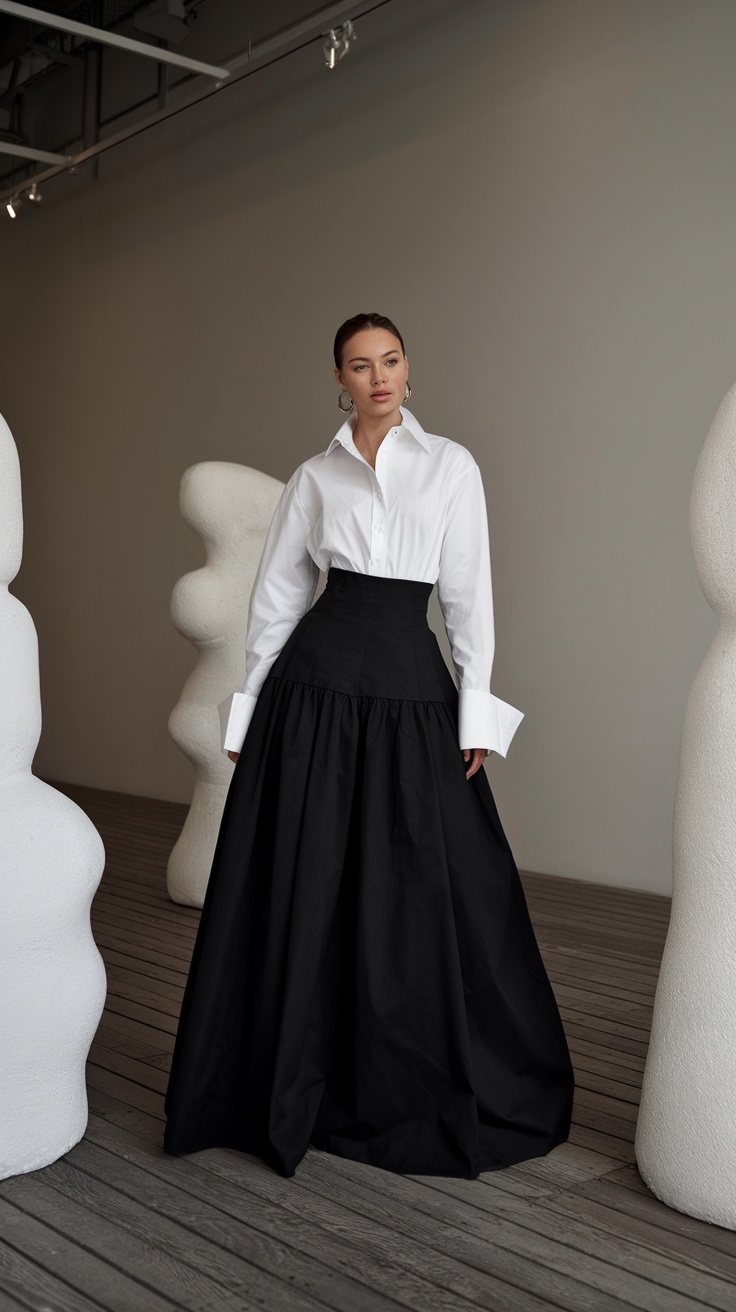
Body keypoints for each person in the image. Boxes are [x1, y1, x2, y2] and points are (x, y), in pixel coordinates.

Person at [163, 312, 574, 1179]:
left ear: (408, 369)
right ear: (339, 379)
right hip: (310, 695)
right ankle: (284, 1077)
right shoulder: (314, 478)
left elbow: (469, 599)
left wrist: (475, 716)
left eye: (391, 360)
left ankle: (401, 1079)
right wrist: (246, 720)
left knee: (429, 881)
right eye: (361, 364)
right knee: (304, 880)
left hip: (407, 689)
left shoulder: (451, 465)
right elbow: (273, 602)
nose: (379, 375)